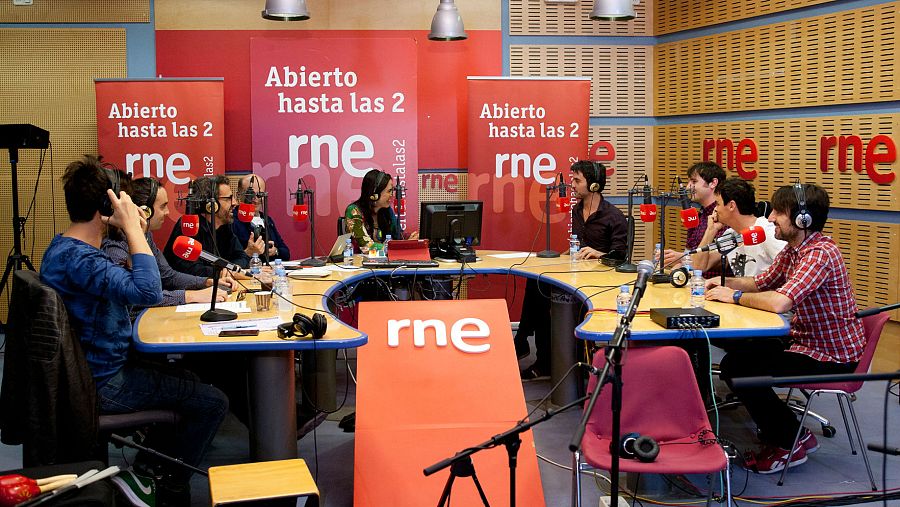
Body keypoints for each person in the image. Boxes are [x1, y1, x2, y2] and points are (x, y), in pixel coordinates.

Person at [40, 156, 228, 504]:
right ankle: (160, 480)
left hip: (94, 371)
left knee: (191, 379)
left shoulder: (64, 249)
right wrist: (132, 230)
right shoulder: (83, 260)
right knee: (213, 402)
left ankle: (147, 467)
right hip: (103, 382)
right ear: (108, 206)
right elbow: (149, 291)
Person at [706, 183, 864, 474]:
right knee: (740, 358)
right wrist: (723, 284)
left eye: (779, 212)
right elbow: (762, 282)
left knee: (740, 370)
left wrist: (735, 296)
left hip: (829, 357)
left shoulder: (819, 254)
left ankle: (789, 442)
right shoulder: (795, 250)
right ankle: (794, 433)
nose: (770, 218)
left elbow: (779, 302)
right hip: (805, 343)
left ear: (802, 219)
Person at [516, 160, 627, 379]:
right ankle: (539, 355)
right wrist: (561, 256)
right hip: (576, 276)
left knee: (544, 296)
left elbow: (622, 259)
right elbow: (578, 246)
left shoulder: (614, 216)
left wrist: (600, 254)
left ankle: (526, 344)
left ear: (594, 185)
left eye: (577, 180)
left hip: (599, 283)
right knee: (537, 282)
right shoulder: (576, 211)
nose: (572, 185)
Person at [103, 176, 236, 309]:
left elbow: (168, 276)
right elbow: (135, 297)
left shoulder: (146, 235)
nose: (167, 213)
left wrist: (207, 282)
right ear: (145, 211)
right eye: (163, 207)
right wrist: (190, 296)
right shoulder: (115, 246)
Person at [690, 177, 786, 277]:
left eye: (718, 204)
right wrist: (711, 230)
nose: (715, 209)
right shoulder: (731, 235)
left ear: (731, 206)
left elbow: (790, 270)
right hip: (740, 292)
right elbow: (698, 266)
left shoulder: (766, 231)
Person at [164, 175, 255, 278]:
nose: (235, 202)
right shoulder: (189, 227)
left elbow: (241, 256)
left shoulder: (225, 226)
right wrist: (222, 273)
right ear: (211, 205)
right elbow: (189, 270)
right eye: (228, 198)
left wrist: (232, 270)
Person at [663, 161, 726, 277]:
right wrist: (678, 262)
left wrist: (682, 258)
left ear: (713, 183)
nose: (688, 187)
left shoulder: (724, 217)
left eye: (694, 181)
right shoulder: (698, 216)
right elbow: (689, 252)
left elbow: (714, 259)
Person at [344, 169, 416, 252]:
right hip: (358, 263)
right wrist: (395, 248)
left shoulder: (387, 210)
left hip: (385, 262)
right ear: (374, 194)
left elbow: (398, 235)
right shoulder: (354, 211)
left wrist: (409, 238)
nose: (392, 195)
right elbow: (366, 246)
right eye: (389, 191)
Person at [231, 174, 291, 261]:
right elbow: (228, 260)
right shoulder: (231, 220)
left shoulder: (267, 220)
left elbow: (286, 253)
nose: (255, 199)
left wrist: (275, 251)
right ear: (239, 195)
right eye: (250, 194)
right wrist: (248, 252)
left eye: (259, 194)